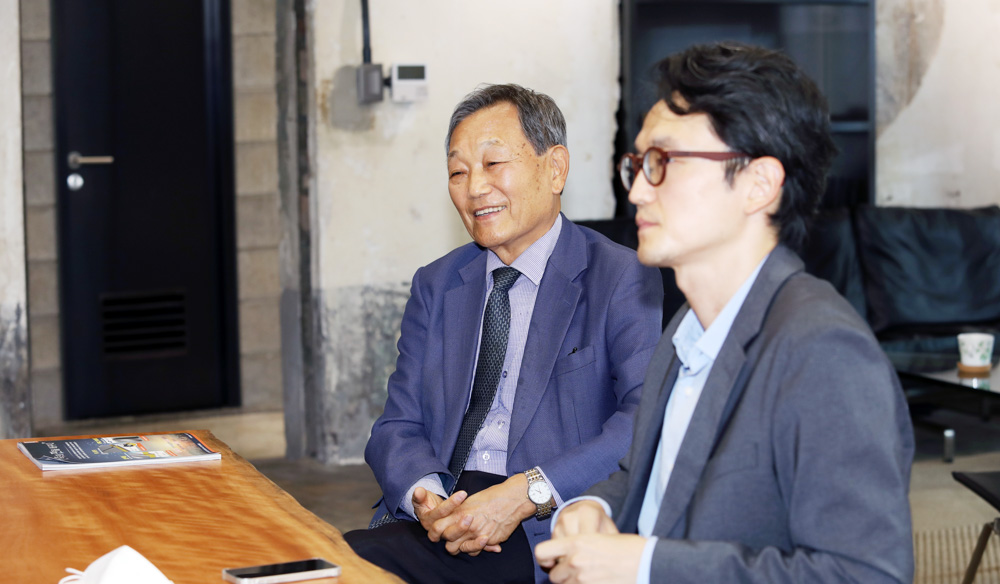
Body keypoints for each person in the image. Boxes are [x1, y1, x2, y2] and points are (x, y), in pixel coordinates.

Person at [535, 42, 915, 583]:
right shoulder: (685, 330)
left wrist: (646, 566)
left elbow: (866, 575)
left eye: (664, 162)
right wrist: (596, 508)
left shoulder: (823, 349)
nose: (638, 190)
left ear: (758, 185)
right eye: (637, 164)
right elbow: (652, 479)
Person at [344, 83, 664, 584]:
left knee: (352, 567)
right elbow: (396, 425)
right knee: (330, 559)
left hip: (540, 520)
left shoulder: (620, 275)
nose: (474, 188)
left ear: (555, 169)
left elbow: (643, 421)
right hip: (444, 509)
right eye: (458, 172)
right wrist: (428, 499)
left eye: (493, 164)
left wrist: (527, 492)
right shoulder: (438, 283)